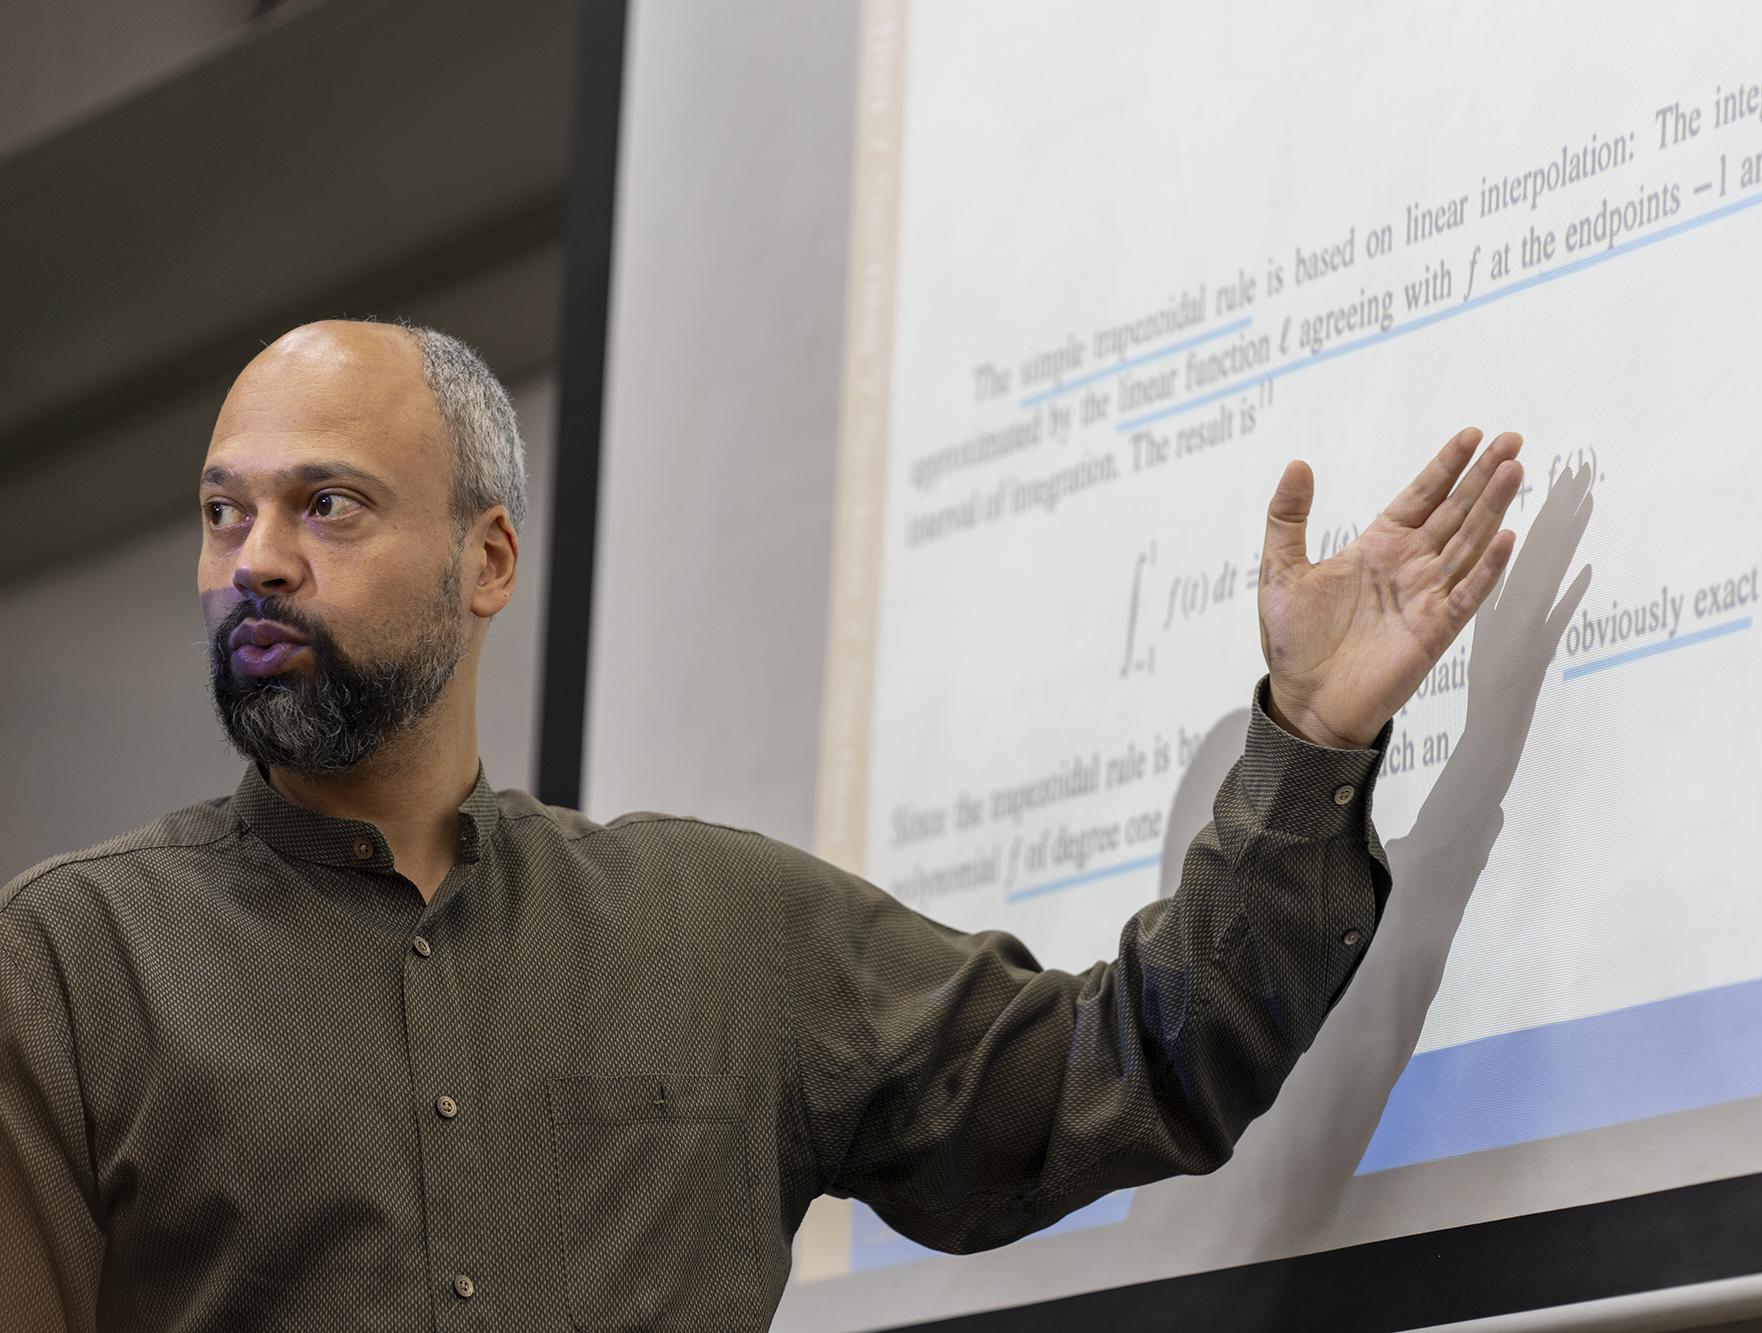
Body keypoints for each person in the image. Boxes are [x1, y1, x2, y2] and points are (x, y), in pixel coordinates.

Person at [0, 320, 1523, 1330]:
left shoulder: (717, 929)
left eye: (325, 506)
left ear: (488, 558)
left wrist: (1312, 738)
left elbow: (1121, 1078)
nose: (254, 559)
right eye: (224, 512)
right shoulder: (76, 962)